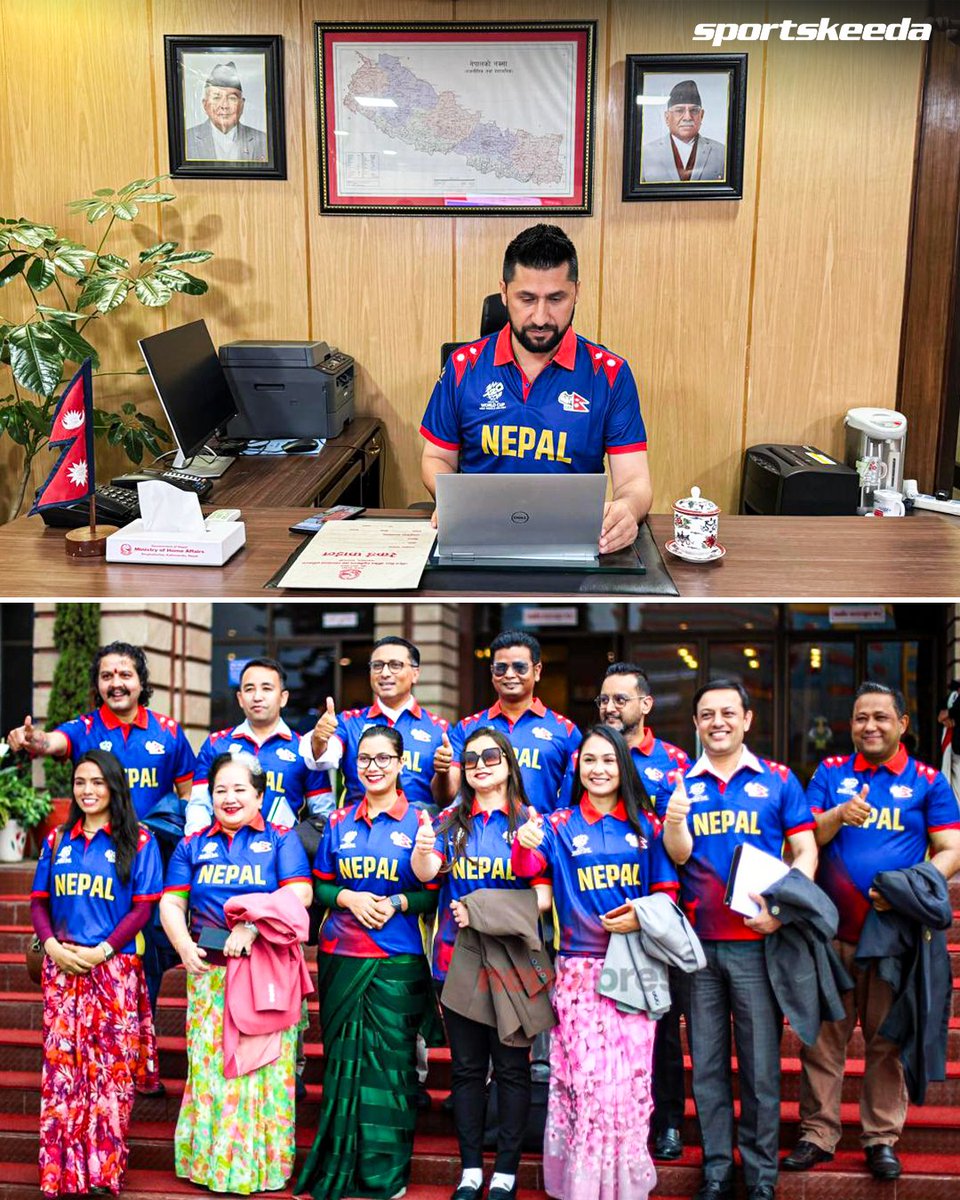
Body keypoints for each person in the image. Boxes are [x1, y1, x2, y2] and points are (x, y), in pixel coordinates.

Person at [783, 682, 960, 1181]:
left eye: (881, 717)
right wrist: (837, 816)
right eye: (861, 718)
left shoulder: (927, 781)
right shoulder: (830, 773)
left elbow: (951, 848)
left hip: (891, 938)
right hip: (829, 933)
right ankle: (818, 1135)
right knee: (821, 1039)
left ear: (902, 723)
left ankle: (881, 1138)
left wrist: (910, 886)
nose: (870, 726)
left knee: (887, 1040)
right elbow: (801, 838)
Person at [662, 680, 818, 1200]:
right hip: (698, 946)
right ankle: (715, 1168)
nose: (718, 722)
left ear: (748, 719)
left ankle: (759, 1176)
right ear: (697, 724)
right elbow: (677, 856)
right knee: (705, 1064)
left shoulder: (776, 780)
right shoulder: (681, 782)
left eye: (728, 712)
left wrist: (782, 909)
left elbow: (805, 851)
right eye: (707, 715)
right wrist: (677, 821)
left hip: (757, 943)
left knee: (758, 1067)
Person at [511, 724, 680, 1200]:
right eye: (590, 761)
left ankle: (623, 1186)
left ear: (622, 766)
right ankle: (582, 1185)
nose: (599, 769)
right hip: (578, 970)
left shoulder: (647, 826)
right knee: (585, 1083)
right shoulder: (559, 824)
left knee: (626, 1084)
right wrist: (524, 840)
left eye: (609, 760)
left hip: (636, 966)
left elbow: (668, 893)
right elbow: (527, 869)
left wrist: (640, 917)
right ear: (578, 768)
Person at [419, 223, 652, 554]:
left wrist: (627, 510)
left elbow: (635, 482)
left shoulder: (610, 374)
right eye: (526, 298)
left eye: (556, 298)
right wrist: (449, 501)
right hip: (478, 539)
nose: (541, 317)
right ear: (503, 292)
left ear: (576, 291)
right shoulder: (463, 366)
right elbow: (436, 457)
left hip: (572, 546)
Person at [10, 640, 196, 1013]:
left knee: (146, 968)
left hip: (146, 865)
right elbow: (52, 741)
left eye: (125, 674)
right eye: (107, 675)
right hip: (92, 865)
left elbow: (190, 800)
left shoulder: (169, 732)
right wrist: (33, 740)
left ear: (141, 682)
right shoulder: (85, 728)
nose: (116, 683)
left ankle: (138, 1062)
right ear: (97, 685)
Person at [297, 726, 441, 1200]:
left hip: (397, 961)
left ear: (401, 764)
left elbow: (432, 892)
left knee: (392, 1070)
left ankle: (384, 1175)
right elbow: (317, 887)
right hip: (341, 956)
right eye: (365, 759)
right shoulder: (339, 821)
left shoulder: (422, 820)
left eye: (383, 758)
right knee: (343, 1065)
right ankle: (341, 1166)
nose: (373, 767)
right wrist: (348, 897)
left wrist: (397, 901)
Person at [160, 750, 313, 1195]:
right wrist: (183, 945)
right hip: (209, 973)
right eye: (220, 789)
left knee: (263, 1073)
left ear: (260, 796)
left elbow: (299, 893)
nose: (229, 797)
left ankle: (258, 1168)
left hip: (265, 972)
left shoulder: (282, 840)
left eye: (240, 789)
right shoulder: (193, 844)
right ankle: (212, 1164)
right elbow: (172, 902)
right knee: (211, 1070)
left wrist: (251, 922)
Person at [558, 662, 692, 1162]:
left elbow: (676, 843)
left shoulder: (674, 761)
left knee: (660, 1028)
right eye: (603, 701)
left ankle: (667, 1123)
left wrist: (654, 908)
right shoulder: (584, 757)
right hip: (588, 937)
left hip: (658, 918)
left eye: (620, 699)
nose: (610, 708)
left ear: (645, 704)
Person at [412, 728, 553, 1200]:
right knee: (468, 1070)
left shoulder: (530, 820)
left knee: (513, 1069)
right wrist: (421, 847)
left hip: (513, 963)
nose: (480, 763)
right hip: (458, 960)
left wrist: (486, 908)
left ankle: (507, 1172)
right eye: (471, 758)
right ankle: (471, 1170)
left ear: (509, 763)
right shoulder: (450, 819)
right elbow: (427, 873)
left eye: (491, 755)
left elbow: (543, 896)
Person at [30, 749, 162, 1198]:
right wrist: (50, 945)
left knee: (109, 1076)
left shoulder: (139, 842)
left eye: (97, 783)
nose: (88, 791)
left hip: (114, 971)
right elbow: (38, 902)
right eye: (81, 782)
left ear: (114, 787)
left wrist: (104, 950)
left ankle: (104, 1172)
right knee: (64, 1075)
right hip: (63, 969)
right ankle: (61, 1172)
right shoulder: (55, 841)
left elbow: (144, 909)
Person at [302, 636, 453, 811]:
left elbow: (446, 798)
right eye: (377, 665)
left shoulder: (440, 729)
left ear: (415, 673)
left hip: (420, 831)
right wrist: (319, 738)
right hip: (359, 829)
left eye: (395, 665)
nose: (385, 673)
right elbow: (322, 759)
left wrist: (444, 771)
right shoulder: (349, 722)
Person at [186, 656, 333, 833]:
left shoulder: (304, 750)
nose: (257, 697)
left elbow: (324, 813)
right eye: (249, 689)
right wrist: (197, 846)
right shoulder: (216, 745)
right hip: (225, 855)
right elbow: (199, 806)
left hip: (283, 855)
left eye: (266, 688)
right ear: (240, 698)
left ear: (283, 697)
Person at [441, 630, 581, 814]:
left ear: (537, 671)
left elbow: (575, 798)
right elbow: (448, 795)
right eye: (501, 668)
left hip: (540, 837)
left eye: (519, 667)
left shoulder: (566, 731)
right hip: (480, 837)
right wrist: (441, 770)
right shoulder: (467, 728)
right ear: (492, 672)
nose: (509, 674)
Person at [639, 80, 727, 184]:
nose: (687, 117)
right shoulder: (646, 154)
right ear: (667, 117)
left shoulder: (721, 153)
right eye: (679, 110)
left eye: (694, 111)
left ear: (701, 115)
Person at [185, 61, 268, 162]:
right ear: (205, 105)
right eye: (216, 97)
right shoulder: (186, 141)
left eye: (232, 98)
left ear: (242, 104)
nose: (224, 106)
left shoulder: (264, 141)